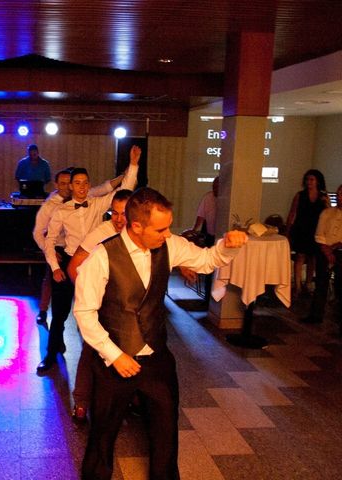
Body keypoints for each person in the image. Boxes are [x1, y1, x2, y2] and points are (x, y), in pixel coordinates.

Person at [73, 187, 247, 480]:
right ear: (136, 226)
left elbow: (205, 261)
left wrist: (227, 246)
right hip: (114, 363)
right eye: (161, 228)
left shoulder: (170, 245)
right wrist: (114, 355)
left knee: (166, 432)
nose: (167, 234)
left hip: (156, 359)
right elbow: (84, 313)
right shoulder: (102, 257)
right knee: (102, 436)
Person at [37, 145, 141, 373]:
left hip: (96, 265)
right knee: (61, 313)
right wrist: (55, 267)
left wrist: (133, 165)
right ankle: (51, 355)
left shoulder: (99, 203)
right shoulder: (61, 211)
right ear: (71, 186)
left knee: (99, 313)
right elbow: (49, 240)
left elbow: (125, 191)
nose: (82, 187)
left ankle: (101, 357)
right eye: (77, 183)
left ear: (88, 184)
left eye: (85, 183)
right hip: (68, 262)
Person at [66, 189, 132, 421]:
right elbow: (73, 266)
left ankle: (127, 401)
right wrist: (89, 297)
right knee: (90, 351)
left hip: (129, 310)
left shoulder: (140, 236)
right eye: (114, 212)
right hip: (101, 307)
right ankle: (82, 402)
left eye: (124, 213)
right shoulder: (101, 233)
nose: (118, 218)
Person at [33, 169, 128, 324]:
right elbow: (39, 233)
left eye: (68, 183)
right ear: (59, 185)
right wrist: (51, 258)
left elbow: (107, 188)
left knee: (92, 301)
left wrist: (128, 171)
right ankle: (44, 312)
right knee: (53, 281)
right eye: (62, 184)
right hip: (62, 250)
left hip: (91, 253)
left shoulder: (89, 198)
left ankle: (88, 334)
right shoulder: (50, 205)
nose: (65, 187)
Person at [302, 183, 342, 330]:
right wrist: (327, 250)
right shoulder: (327, 213)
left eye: (341, 195)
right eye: (337, 195)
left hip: (340, 251)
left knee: (340, 285)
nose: (339, 198)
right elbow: (319, 234)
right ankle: (316, 314)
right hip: (325, 250)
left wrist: (336, 246)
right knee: (321, 283)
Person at [286, 169, 329, 296]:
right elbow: (292, 213)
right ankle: (298, 285)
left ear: (317, 181)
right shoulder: (300, 195)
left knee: (312, 258)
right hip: (301, 229)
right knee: (300, 256)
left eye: (312, 179)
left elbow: (329, 214)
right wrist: (288, 231)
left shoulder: (323, 197)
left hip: (316, 230)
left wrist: (326, 203)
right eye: (307, 179)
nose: (309, 182)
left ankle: (308, 283)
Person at [191, 176, 220, 304]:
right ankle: (207, 297)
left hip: (222, 236)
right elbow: (200, 216)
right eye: (213, 186)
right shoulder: (208, 198)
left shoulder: (227, 199)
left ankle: (217, 296)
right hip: (210, 235)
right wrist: (193, 230)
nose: (214, 189)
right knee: (210, 268)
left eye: (217, 186)